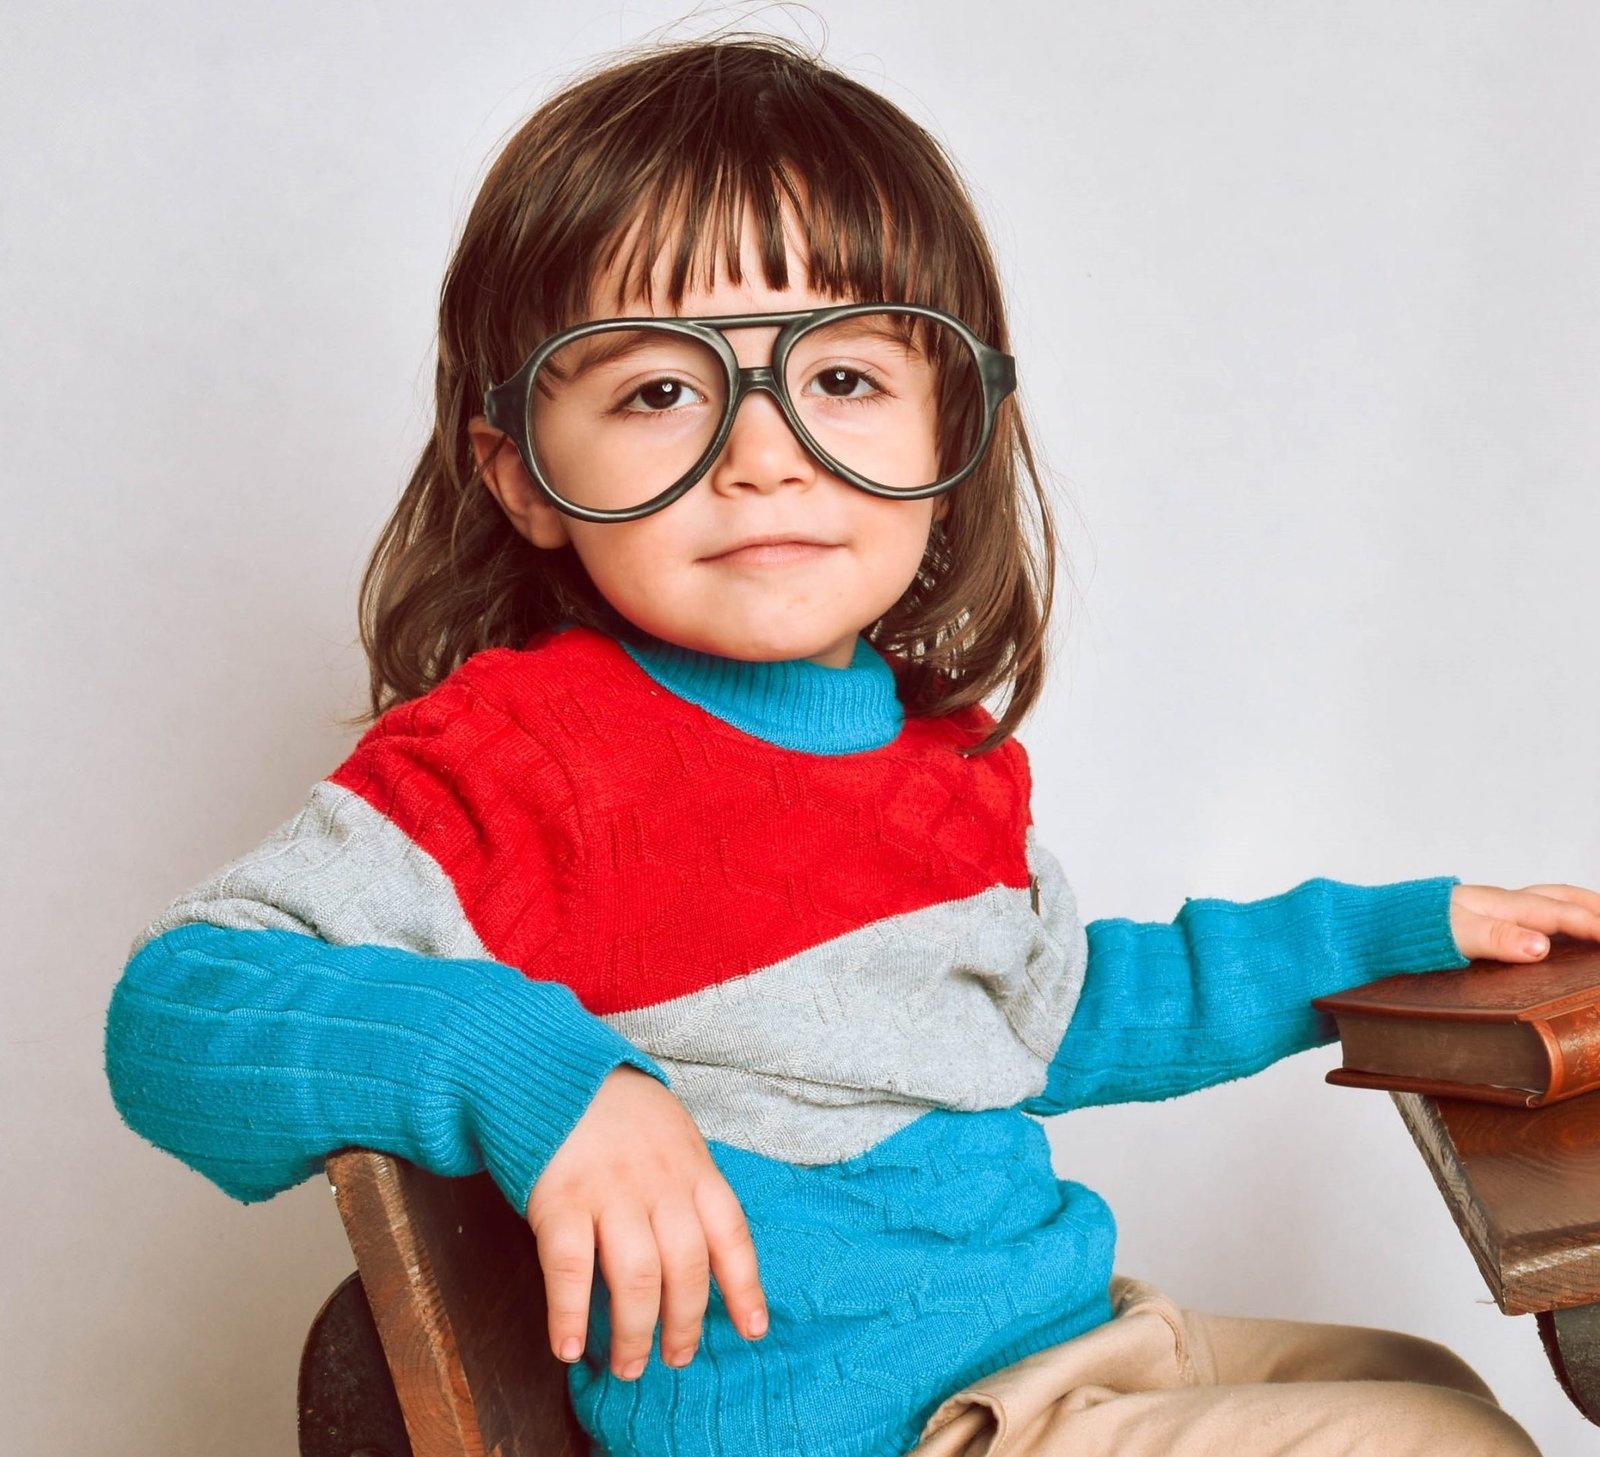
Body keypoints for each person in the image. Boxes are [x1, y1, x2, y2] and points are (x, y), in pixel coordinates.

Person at [103, 33, 1590, 1457]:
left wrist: (1397, 932)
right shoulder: (527, 757)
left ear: (951, 429)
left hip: (1054, 1352)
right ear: (525, 475)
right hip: (881, 1428)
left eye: (845, 378)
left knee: (1421, 1376)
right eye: (661, 389)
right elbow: (178, 1006)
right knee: (1426, 1440)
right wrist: (533, 1074)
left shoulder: (934, 766)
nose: (764, 452)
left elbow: (1059, 1010)